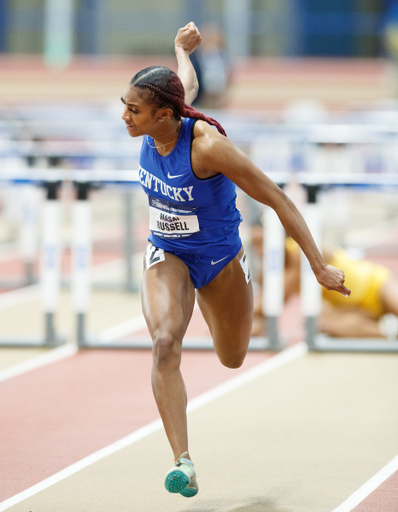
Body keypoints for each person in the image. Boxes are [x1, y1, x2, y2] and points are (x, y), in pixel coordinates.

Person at [121, 22, 350, 499]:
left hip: (222, 258)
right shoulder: (157, 120)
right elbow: (189, 79)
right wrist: (181, 50)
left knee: (232, 357)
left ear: (165, 115)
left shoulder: (207, 148)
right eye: (124, 106)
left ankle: (217, 301)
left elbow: (278, 200)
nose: (125, 116)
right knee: (165, 342)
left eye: (134, 110)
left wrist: (318, 265)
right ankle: (182, 461)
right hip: (169, 252)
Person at [251, 227, 398, 339]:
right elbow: (265, 315)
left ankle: (393, 328)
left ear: (278, 237)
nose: (261, 251)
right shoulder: (268, 271)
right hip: (346, 308)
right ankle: (393, 333)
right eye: (255, 246)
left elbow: (273, 302)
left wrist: (235, 318)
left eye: (263, 243)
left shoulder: (301, 251)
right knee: (316, 322)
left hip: (376, 287)